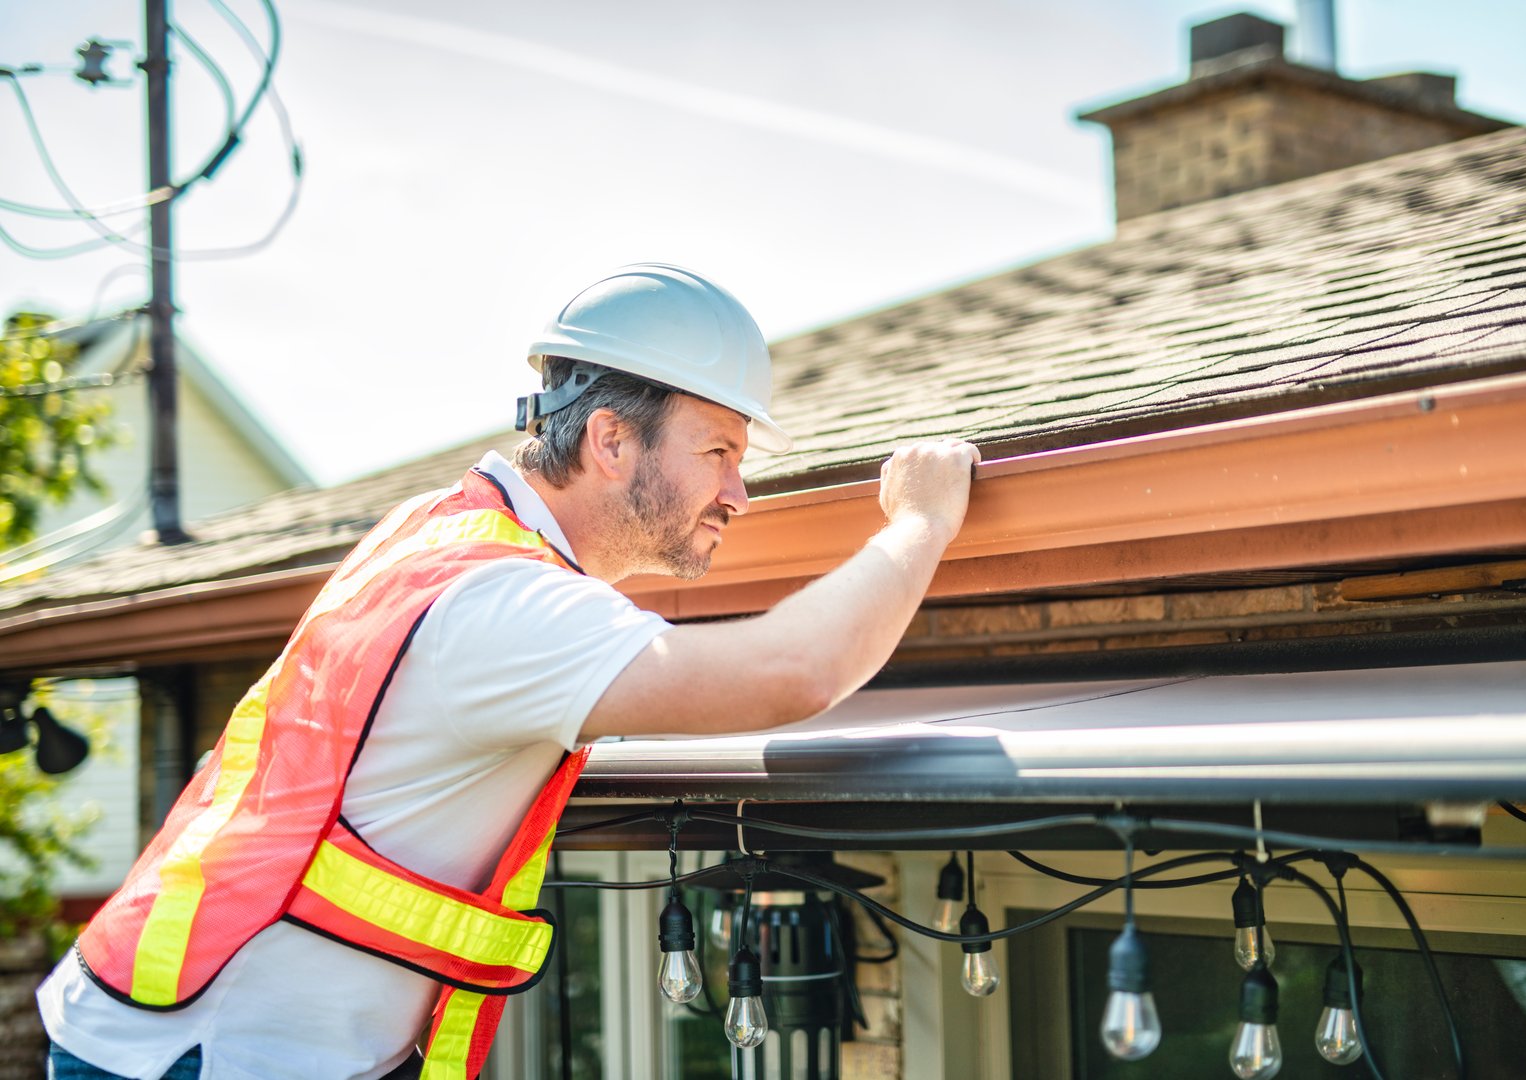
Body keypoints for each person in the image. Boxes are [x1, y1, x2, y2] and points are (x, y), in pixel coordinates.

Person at [37, 263, 979, 1079]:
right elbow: (792, 671)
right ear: (611, 440)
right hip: (201, 1056)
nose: (740, 490)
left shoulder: (443, 533)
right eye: (720, 452)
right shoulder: (504, 607)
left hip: (174, 1029)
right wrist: (921, 523)